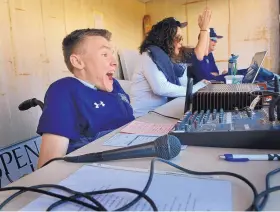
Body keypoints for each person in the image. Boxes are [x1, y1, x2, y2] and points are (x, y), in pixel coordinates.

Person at [36, 29, 135, 168]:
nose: (114, 62)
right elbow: (48, 166)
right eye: (104, 54)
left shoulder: (114, 85)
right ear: (77, 61)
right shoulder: (64, 90)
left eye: (112, 54)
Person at [130, 9, 212, 118]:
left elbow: (183, 88)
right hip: (144, 117)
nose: (181, 42)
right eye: (178, 38)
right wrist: (195, 88)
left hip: (161, 112)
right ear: (166, 39)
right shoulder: (149, 55)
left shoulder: (170, 60)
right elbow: (161, 88)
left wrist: (199, 88)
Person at [190, 28, 275, 84]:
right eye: (213, 39)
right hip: (215, 83)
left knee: (249, 71)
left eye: (216, 40)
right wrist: (213, 75)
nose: (216, 42)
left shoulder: (210, 55)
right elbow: (205, 78)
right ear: (204, 40)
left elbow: (216, 73)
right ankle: (275, 79)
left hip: (218, 79)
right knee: (249, 75)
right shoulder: (196, 55)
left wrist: (214, 75)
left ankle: (275, 78)